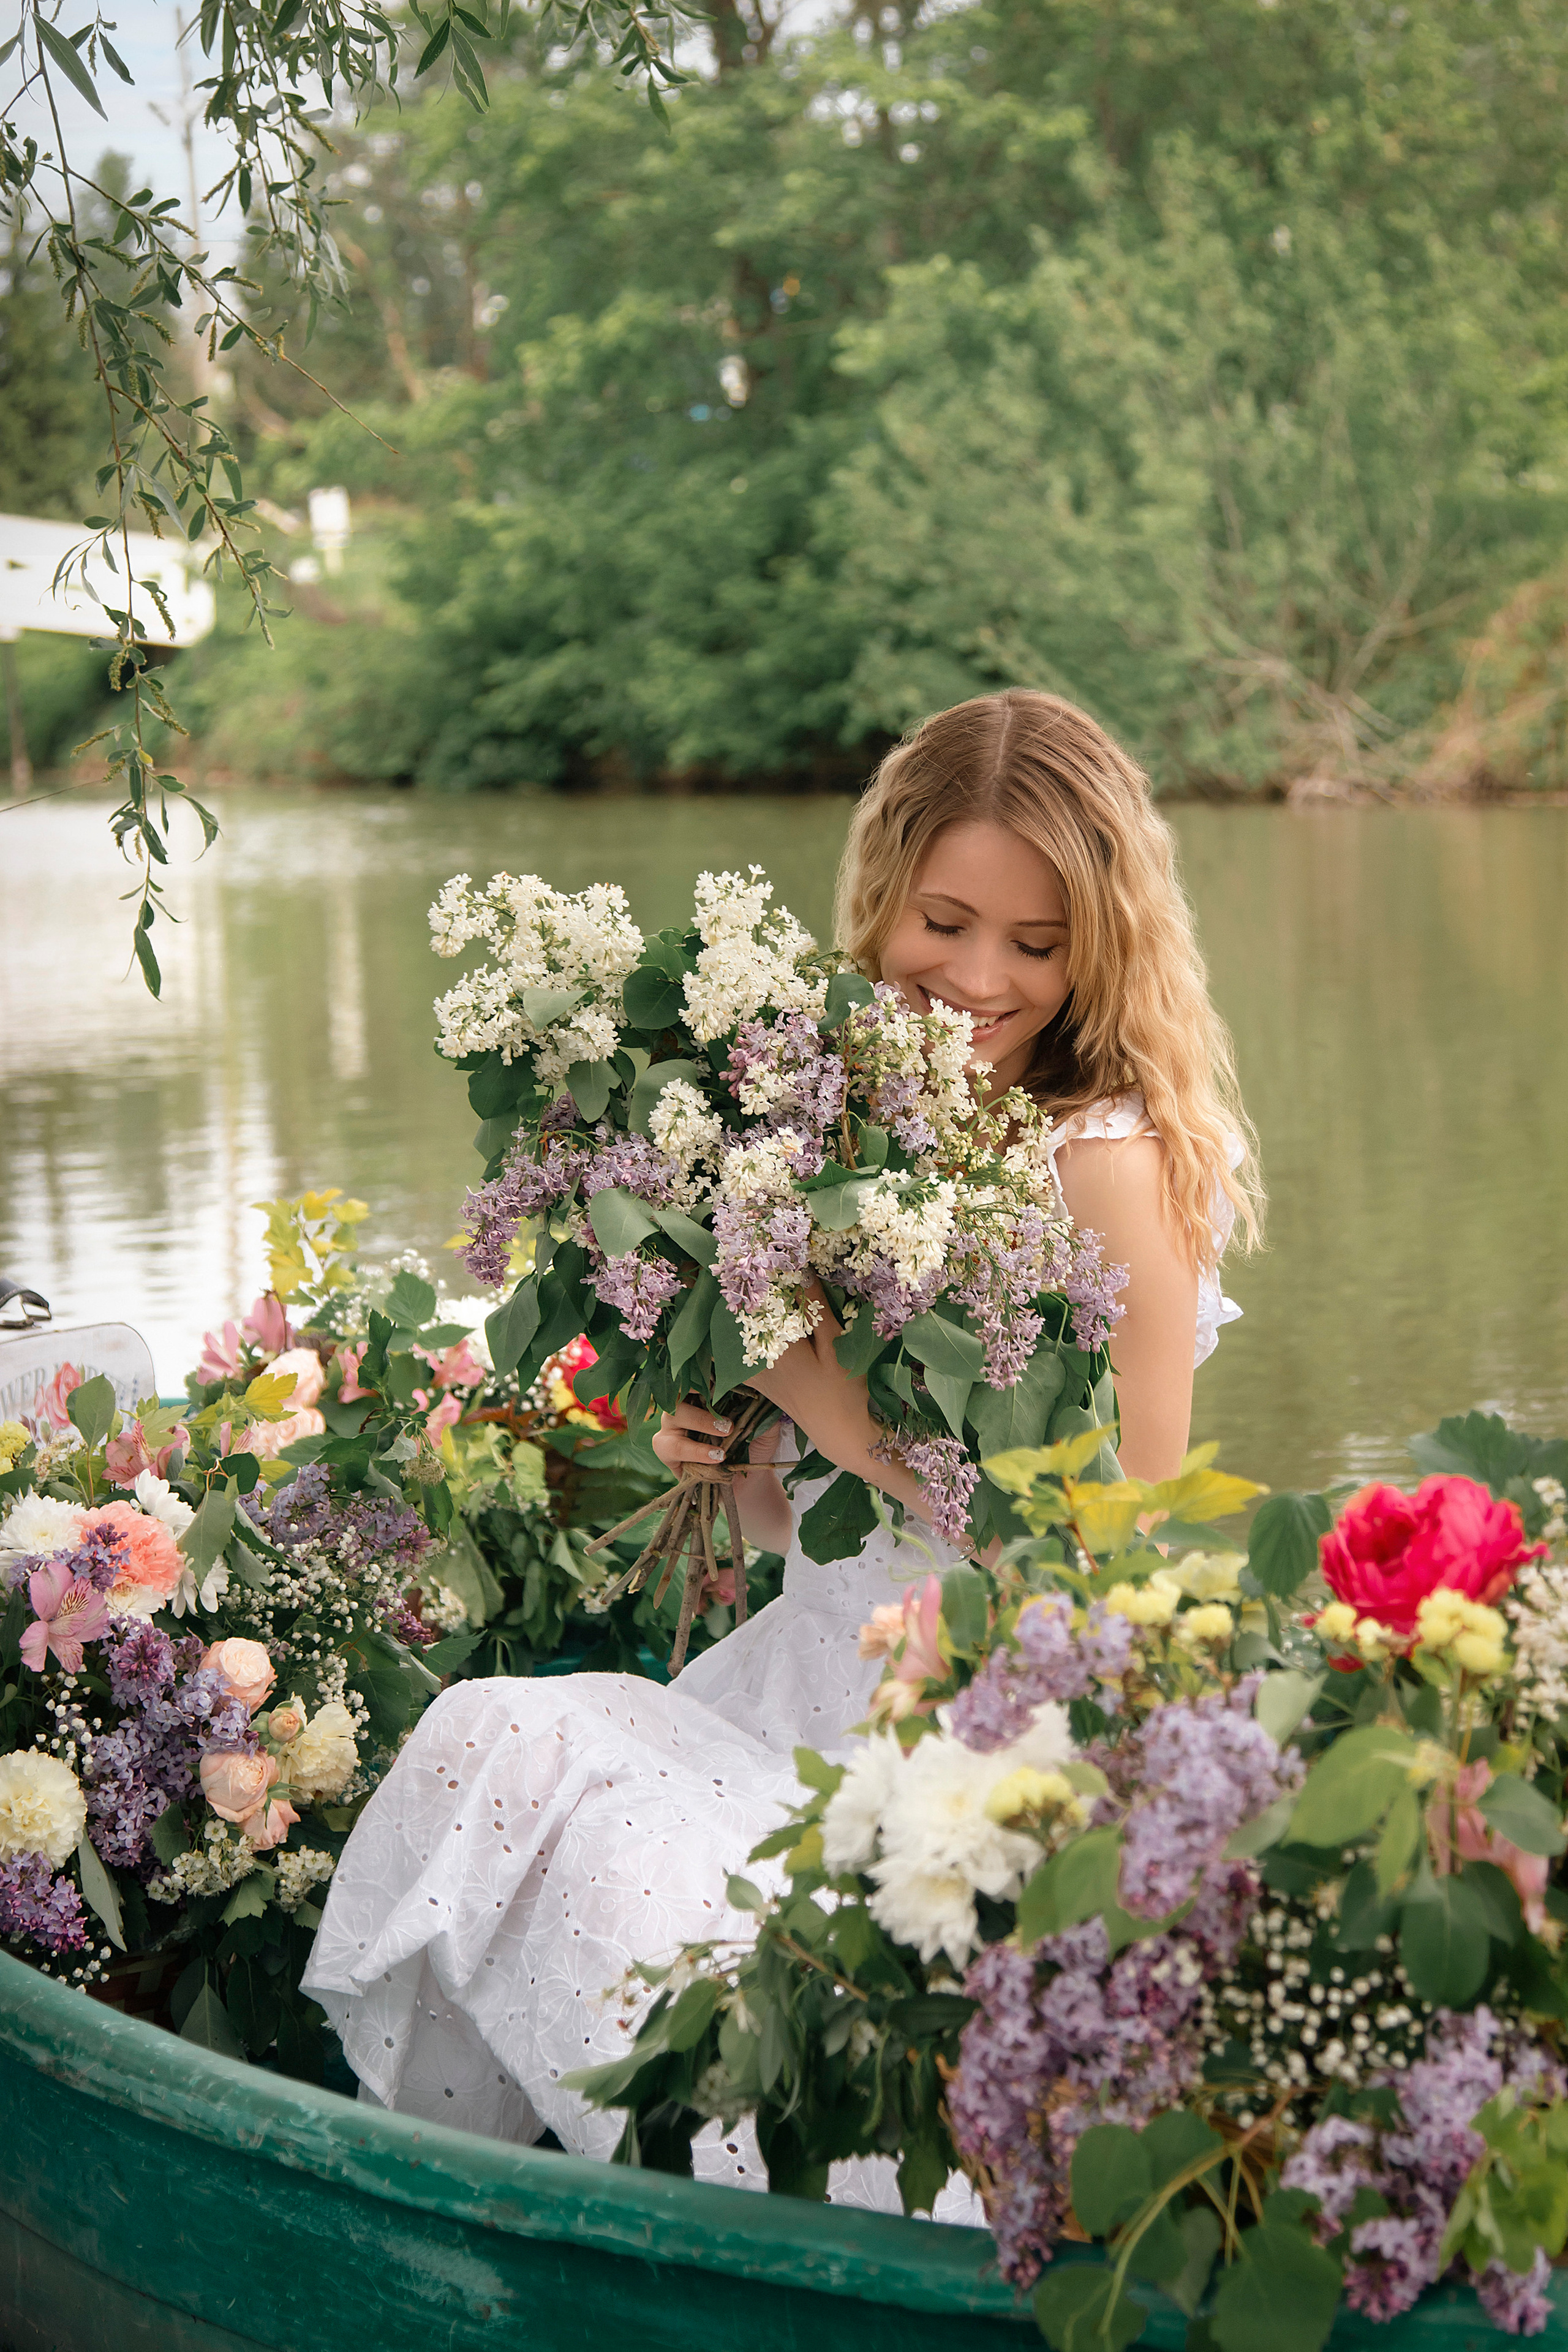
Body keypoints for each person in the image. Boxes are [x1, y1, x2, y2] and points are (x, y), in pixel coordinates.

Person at [304, 689, 1262, 2210]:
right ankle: (453, 2204)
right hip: (794, 1688)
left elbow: (1110, 1565)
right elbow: (801, 1531)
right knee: (500, 1740)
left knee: (665, 1905)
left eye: (1037, 942)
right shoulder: (829, 1118)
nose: (977, 978)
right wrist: (740, 1461)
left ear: (1103, 948)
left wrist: (833, 1411)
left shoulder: (1107, 1165)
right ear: (879, 894)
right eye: (943, 922)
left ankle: (739, 2231)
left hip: (976, 1748)